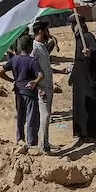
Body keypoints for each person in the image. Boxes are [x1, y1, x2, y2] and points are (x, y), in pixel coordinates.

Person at [0, 35, 44, 150]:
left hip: (18, 91)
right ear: (30, 47)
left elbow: (0, 72)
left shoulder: (14, 59)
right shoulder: (32, 61)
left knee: (20, 117)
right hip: (30, 92)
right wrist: (35, 82)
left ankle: (20, 139)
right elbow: (41, 75)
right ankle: (32, 143)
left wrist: (13, 81)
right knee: (31, 118)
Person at [32, 21, 68, 153]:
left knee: (47, 115)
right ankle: (43, 145)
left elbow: (45, 68)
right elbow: (32, 68)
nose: (49, 33)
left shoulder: (42, 47)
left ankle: (45, 142)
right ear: (41, 31)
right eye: (47, 30)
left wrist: (59, 71)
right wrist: (37, 84)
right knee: (45, 116)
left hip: (48, 85)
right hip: (42, 87)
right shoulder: (35, 48)